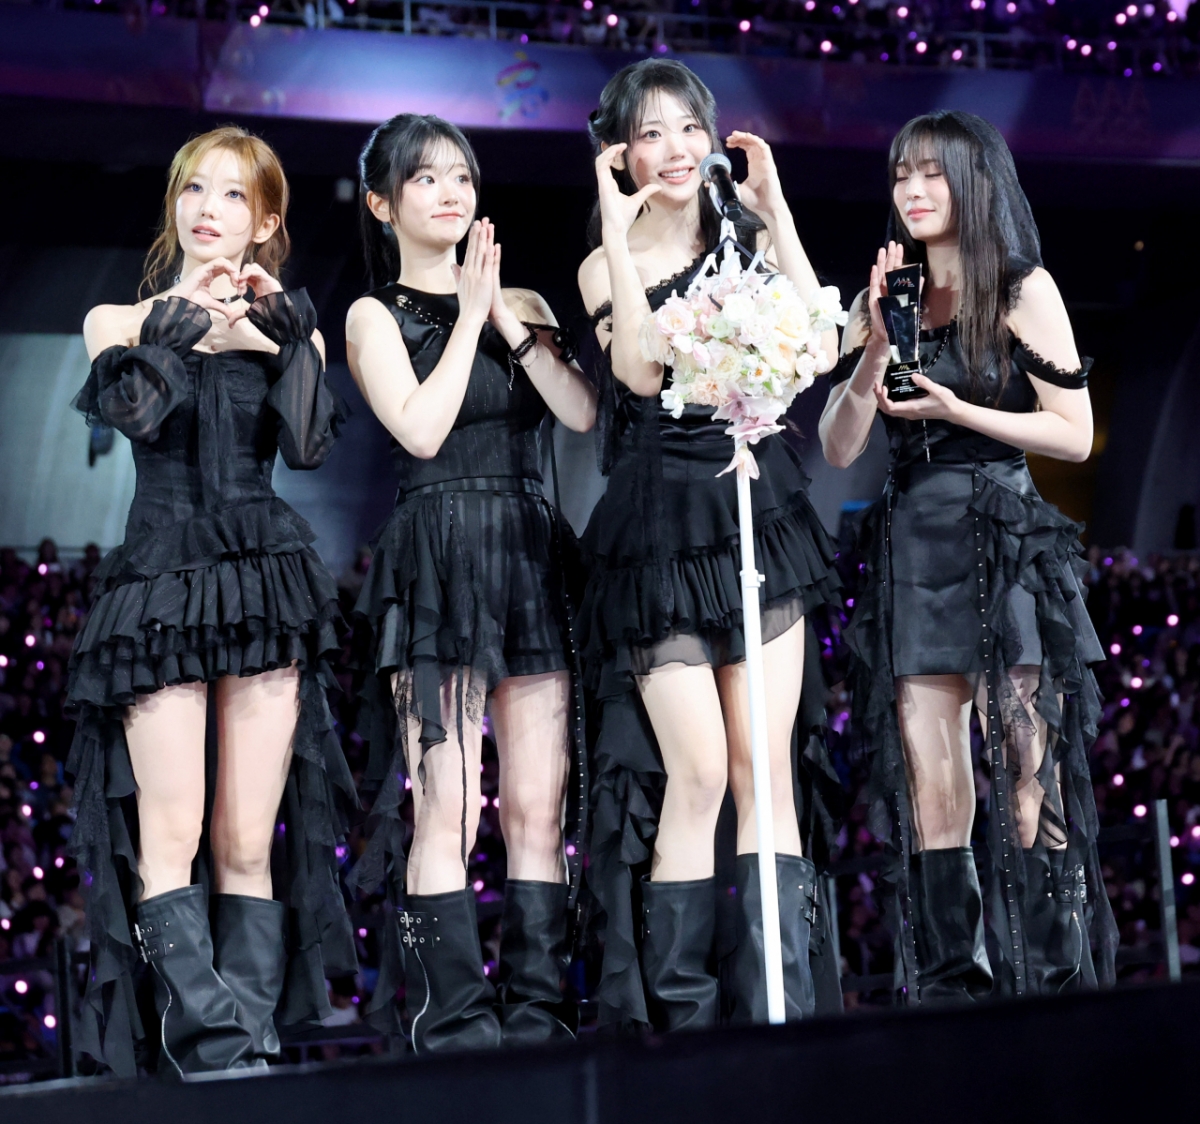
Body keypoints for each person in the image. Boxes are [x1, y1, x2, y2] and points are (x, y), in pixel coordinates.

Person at [66, 126, 355, 1076]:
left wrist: (284, 338)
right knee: (173, 829)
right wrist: (178, 322)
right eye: (194, 187)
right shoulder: (117, 319)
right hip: (160, 584)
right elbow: (137, 414)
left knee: (245, 839)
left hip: (263, 581)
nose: (207, 208)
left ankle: (253, 1052)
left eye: (233, 194)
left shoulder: (288, 330)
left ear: (265, 221)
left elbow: (307, 446)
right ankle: (212, 1051)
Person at [819, 110, 1117, 1002]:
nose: (913, 190)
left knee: (1026, 768)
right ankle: (954, 991)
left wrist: (957, 410)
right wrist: (876, 344)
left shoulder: (1022, 288)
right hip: (913, 536)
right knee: (934, 782)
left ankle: (1051, 984)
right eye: (901, 174)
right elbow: (838, 444)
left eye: (932, 173)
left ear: (976, 180)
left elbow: (1073, 433)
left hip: (1001, 530)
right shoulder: (884, 294)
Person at [577, 59, 844, 1032]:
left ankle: (779, 1008)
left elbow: (821, 348)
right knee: (695, 773)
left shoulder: (745, 238)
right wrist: (618, 232)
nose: (677, 148)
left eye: (689, 127)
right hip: (660, 525)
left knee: (763, 770)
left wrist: (777, 212)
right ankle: (681, 1023)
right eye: (651, 133)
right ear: (621, 152)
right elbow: (639, 370)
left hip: (756, 508)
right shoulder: (603, 262)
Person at [346, 114, 596, 1052]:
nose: (450, 192)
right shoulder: (373, 316)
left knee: (538, 807)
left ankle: (537, 1014)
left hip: (529, 549)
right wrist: (462, 317)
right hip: (438, 553)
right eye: (425, 179)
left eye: (461, 176)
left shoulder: (517, 299)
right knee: (447, 804)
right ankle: (451, 1025)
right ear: (383, 205)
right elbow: (420, 428)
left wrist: (504, 318)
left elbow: (580, 415)